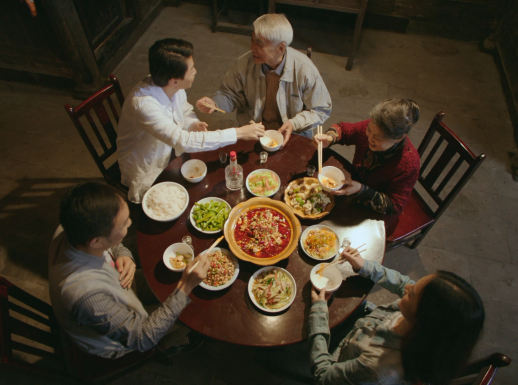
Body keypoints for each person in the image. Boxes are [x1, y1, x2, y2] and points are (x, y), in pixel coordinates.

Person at [48, 182, 211, 359]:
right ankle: (167, 344)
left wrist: (122, 253)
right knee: (196, 306)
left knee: (175, 278)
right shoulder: (89, 297)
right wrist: (185, 287)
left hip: (119, 283)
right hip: (124, 337)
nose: (131, 223)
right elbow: (141, 338)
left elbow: (110, 243)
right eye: (125, 224)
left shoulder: (74, 229)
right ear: (96, 242)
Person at [117, 38, 265, 203]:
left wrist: (192, 123)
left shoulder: (170, 84)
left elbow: (185, 110)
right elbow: (183, 141)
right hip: (148, 161)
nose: (195, 71)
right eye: (192, 68)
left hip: (170, 149)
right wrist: (239, 133)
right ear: (174, 80)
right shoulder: (144, 105)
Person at [308, 247, 485, 385]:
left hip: (343, 354)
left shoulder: (376, 366)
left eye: (412, 294)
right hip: (366, 323)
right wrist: (365, 266)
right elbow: (403, 283)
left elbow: (323, 376)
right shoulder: (429, 331)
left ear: (423, 320)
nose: (407, 288)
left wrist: (318, 310)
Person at [196, 13, 332, 146]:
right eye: (252, 40)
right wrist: (215, 103)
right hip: (253, 132)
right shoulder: (244, 64)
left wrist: (294, 123)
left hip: (294, 135)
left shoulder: (305, 70)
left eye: (259, 44)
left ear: (280, 48)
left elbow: (321, 109)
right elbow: (230, 94)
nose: (252, 48)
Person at [312, 99, 421, 233]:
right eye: (369, 129)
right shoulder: (372, 128)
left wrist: (362, 190)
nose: (369, 138)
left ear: (398, 139)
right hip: (354, 189)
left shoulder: (409, 163)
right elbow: (343, 129)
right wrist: (329, 137)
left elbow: (394, 206)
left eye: (378, 138)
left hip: (375, 213)